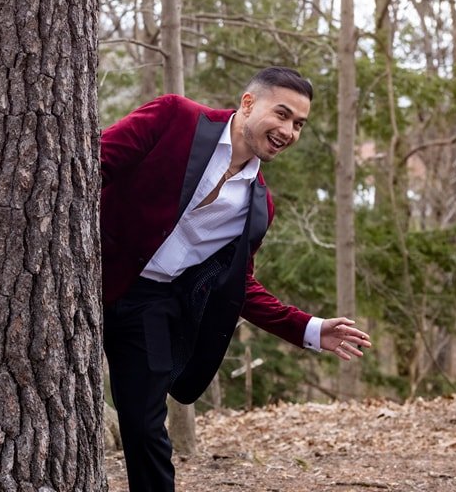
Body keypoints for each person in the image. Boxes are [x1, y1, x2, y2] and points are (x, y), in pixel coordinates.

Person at [100, 67, 372, 491]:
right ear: (248, 103)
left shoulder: (258, 207)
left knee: (144, 427)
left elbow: (237, 286)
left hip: (148, 308)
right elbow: (93, 164)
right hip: (78, 280)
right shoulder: (174, 117)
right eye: (281, 115)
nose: (288, 131)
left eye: (298, 124)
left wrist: (310, 328)